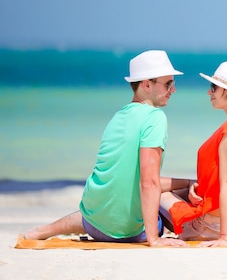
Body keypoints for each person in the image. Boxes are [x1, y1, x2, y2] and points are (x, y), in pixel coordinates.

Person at [23, 50, 188, 247]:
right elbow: (149, 183)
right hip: (128, 231)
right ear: (146, 84)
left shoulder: (119, 116)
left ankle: (46, 230)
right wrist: (154, 238)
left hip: (93, 221)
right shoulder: (155, 117)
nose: (174, 90)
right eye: (168, 83)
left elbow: (126, 178)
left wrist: (187, 181)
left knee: (111, 199)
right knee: (184, 195)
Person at [160, 61, 227, 247]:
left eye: (214, 87)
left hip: (215, 225)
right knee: (160, 185)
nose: (209, 92)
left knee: (154, 193)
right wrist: (195, 186)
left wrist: (224, 237)